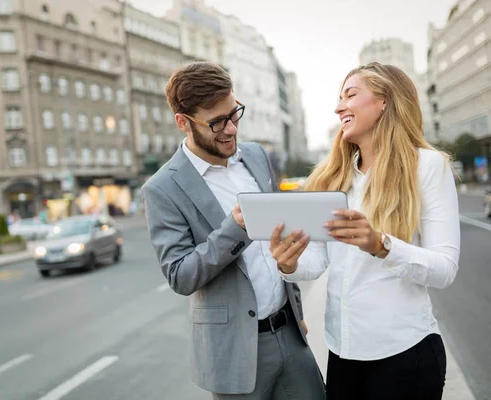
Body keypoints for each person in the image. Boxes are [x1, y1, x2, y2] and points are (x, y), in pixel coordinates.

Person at [267, 62, 460, 400]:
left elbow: (445, 269)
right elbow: (318, 260)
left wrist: (382, 245)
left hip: (406, 353)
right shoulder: (331, 178)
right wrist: (290, 264)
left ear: (384, 101)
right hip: (343, 355)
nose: (339, 106)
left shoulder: (427, 167)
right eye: (339, 98)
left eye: (350, 95)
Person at [142, 61, 325, 400]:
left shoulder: (255, 155)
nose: (231, 129)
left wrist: (296, 310)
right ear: (183, 122)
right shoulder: (162, 188)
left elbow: (279, 241)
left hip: (290, 334)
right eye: (216, 123)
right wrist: (235, 228)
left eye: (234, 114)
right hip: (235, 352)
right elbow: (180, 275)